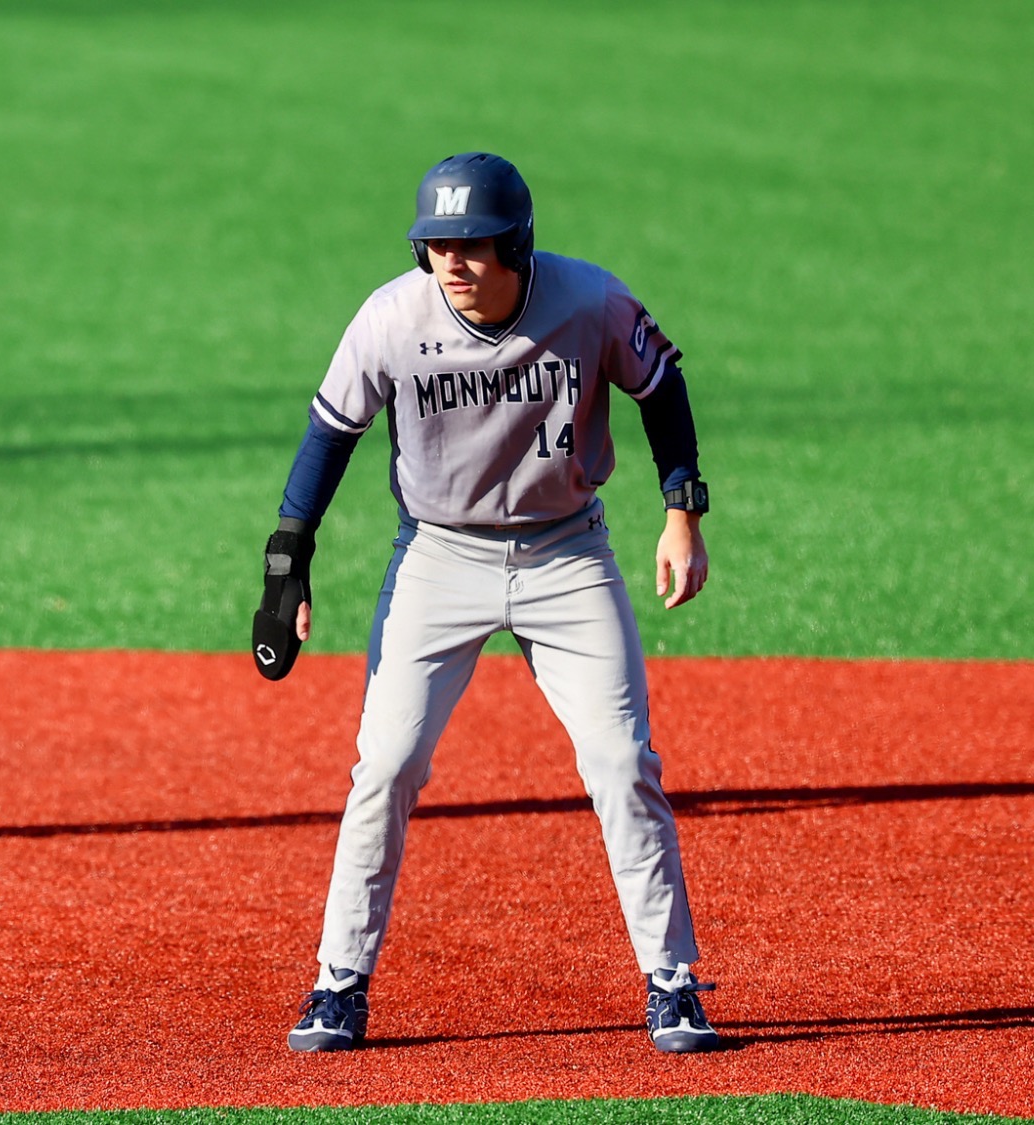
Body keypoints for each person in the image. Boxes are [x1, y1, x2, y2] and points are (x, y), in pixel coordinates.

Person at [256, 153, 721, 1053]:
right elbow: (329, 433)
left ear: (517, 243)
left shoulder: (589, 302)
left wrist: (682, 511)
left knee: (622, 761)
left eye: (472, 245)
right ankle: (339, 982)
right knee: (385, 766)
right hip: (436, 558)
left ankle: (672, 979)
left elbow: (661, 385)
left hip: (567, 554)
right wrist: (288, 561)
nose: (452, 262)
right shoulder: (392, 317)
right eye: (437, 245)